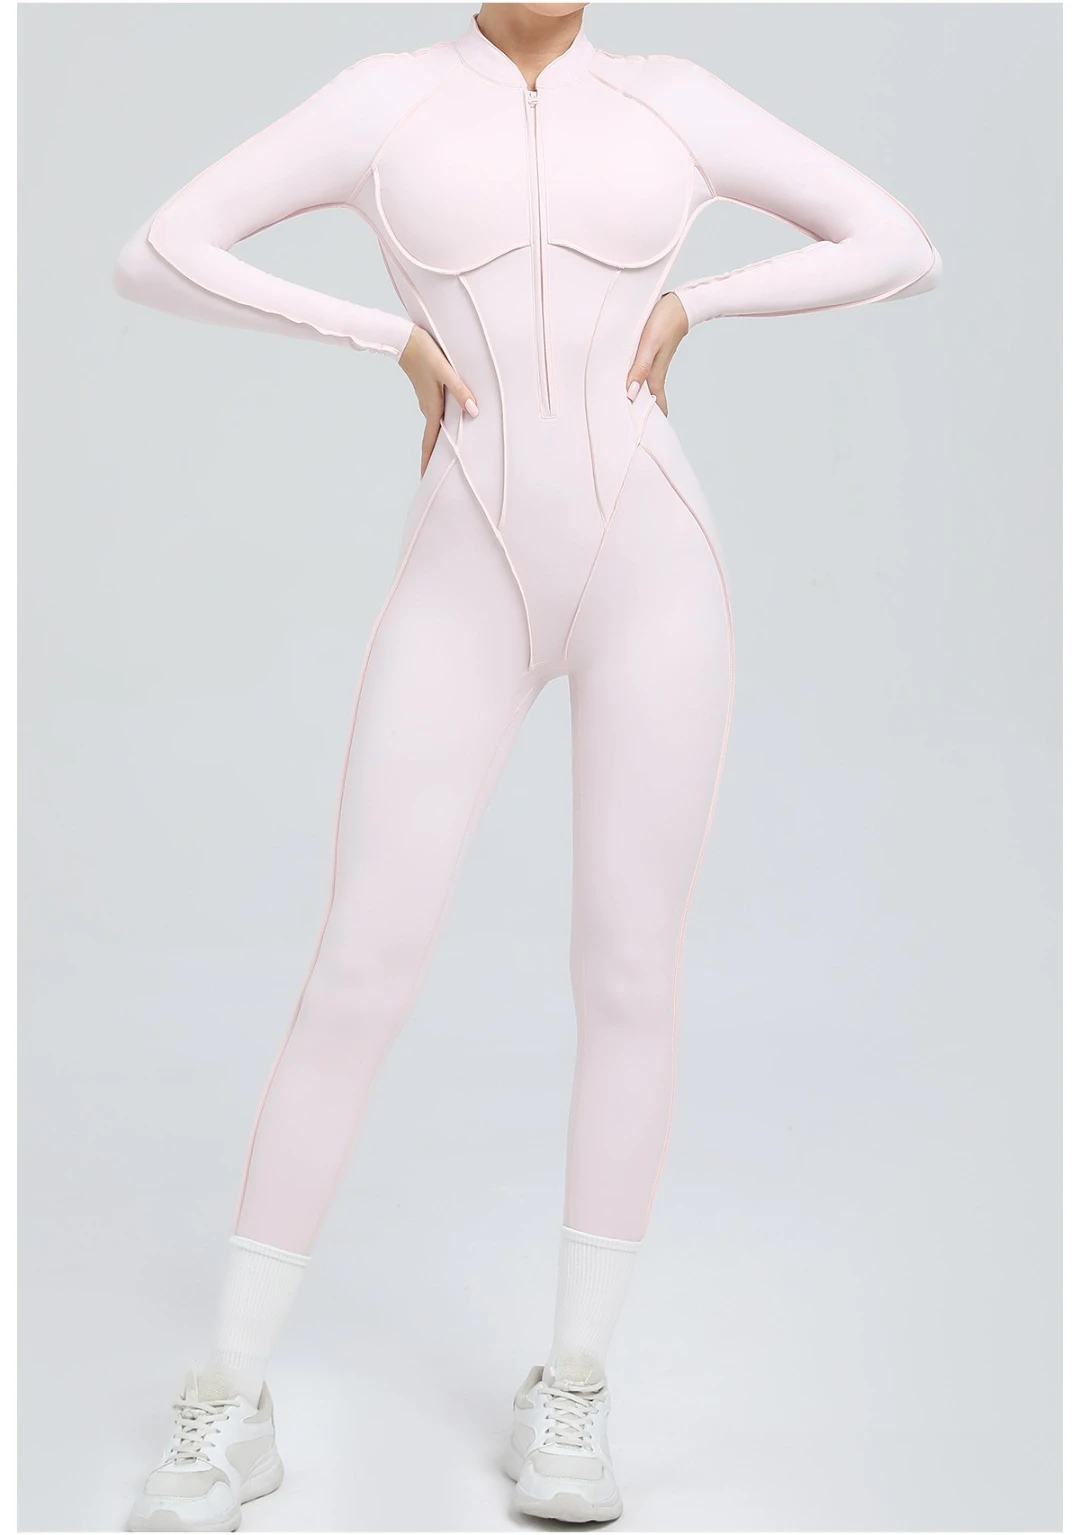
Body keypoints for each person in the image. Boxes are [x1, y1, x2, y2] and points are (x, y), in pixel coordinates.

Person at [113, 3, 941, 1527]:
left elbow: (897, 242)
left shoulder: (675, 99)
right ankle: (228, 1398)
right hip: (465, 577)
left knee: (630, 971)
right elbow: (161, 249)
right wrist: (384, 335)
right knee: (360, 967)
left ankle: (574, 1380)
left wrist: (699, 306)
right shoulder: (385, 100)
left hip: (655, 572)